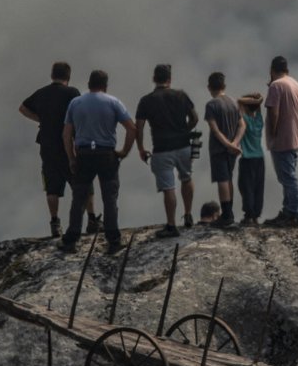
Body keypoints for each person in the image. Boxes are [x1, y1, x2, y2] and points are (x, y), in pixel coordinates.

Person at [59, 70, 136, 255]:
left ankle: (71, 240)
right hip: (106, 154)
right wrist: (124, 152)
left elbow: (66, 134)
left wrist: (71, 158)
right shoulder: (113, 102)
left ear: (89, 83)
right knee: (109, 198)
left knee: (79, 198)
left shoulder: (75, 103)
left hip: (84, 154)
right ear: (105, 85)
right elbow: (131, 128)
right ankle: (113, 240)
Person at [19, 61, 99, 238]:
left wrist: (41, 118)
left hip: (47, 146)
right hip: (69, 144)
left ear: (52, 75)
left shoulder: (41, 93)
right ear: (68, 77)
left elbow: (22, 108)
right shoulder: (72, 93)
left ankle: (55, 223)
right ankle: (92, 220)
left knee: (52, 187)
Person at [135, 64, 199, 238]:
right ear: (169, 79)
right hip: (184, 146)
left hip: (162, 148)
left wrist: (141, 148)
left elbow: (139, 128)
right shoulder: (181, 95)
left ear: (154, 79)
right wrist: (184, 131)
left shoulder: (146, 101)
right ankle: (188, 214)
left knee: (168, 187)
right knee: (187, 177)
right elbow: (195, 118)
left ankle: (171, 225)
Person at [263, 56, 298, 228]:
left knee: (288, 178)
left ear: (272, 70)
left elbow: (274, 113)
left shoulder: (276, 86)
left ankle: (293, 213)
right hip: (296, 137)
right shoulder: (296, 84)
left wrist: (272, 134)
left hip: (282, 139)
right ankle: (288, 210)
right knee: (289, 176)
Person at [204, 72, 244, 228]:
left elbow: (215, 130)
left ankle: (226, 215)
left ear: (209, 87)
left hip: (219, 148)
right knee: (229, 179)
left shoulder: (212, 105)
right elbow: (242, 125)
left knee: (222, 180)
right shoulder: (233, 103)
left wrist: (227, 144)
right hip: (232, 150)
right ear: (224, 86)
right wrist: (235, 142)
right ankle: (230, 212)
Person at [236, 92, 266, 227]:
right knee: (258, 187)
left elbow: (239, 102)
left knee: (246, 187)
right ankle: (255, 215)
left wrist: (248, 99)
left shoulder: (245, 120)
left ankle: (249, 215)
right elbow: (257, 108)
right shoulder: (259, 120)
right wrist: (256, 99)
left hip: (248, 158)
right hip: (260, 158)